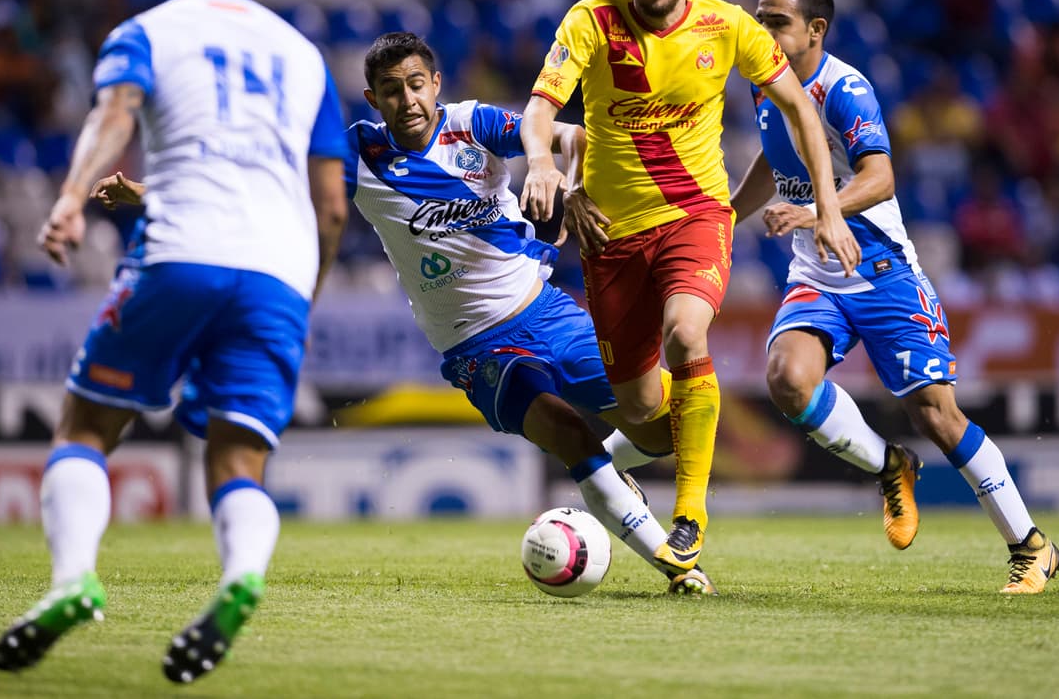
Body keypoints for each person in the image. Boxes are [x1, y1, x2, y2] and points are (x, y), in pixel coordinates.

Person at [90, 31, 717, 596]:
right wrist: (148, 194)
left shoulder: (473, 126)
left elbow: (569, 135)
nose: (408, 100)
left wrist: (571, 184)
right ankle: (673, 564)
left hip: (549, 310)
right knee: (566, 432)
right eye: (392, 91)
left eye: (416, 84)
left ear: (435, 84)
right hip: (478, 347)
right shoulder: (357, 155)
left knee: (661, 433)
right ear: (373, 99)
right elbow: (257, 185)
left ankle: (609, 481)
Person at [0, 0, 349, 683]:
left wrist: (70, 196)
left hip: (181, 248)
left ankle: (74, 577)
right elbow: (331, 203)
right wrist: (305, 297)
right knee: (239, 455)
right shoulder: (304, 55)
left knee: (85, 424)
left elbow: (114, 114)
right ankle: (239, 577)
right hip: (279, 273)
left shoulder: (148, 30)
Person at [519, 0, 860, 572]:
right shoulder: (590, 19)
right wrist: (544, 166)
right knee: (644, 414)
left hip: (696, 215)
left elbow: (801, 112)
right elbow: (539, 109)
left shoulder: (727, 24)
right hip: (611, 237)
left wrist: (829, 205)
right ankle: (701, 412)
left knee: (685, 333)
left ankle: (690, 514)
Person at [729, 0, 1059, 593]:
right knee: (786, 380)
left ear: (816, 30)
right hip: (817, 275)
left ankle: (1032, 545)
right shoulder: (763, 83)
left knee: (938, 415)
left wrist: (814, 210)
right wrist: (725, 216)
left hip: (881, 271)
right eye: (759, 19)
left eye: (776, 23)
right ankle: (890, 464)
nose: (762, 32)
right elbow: (773, 159)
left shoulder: (845, 88)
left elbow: (881, 176)